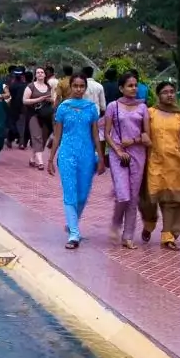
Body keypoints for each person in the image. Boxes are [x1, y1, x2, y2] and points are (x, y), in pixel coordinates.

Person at [139, 80, 180, 250]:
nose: (169, 95)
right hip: (153, 163)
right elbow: (144, 135)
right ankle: (149, 224)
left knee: (173, 201)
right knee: (149, 201)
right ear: (158, 95)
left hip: (176, 164)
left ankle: (168, 236)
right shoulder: (149, 113)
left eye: (172, 91)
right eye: (165, 92)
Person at [48, 72, 104, 248]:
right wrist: (50, 159)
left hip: (87, 155)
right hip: (67, 154)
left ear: (85, 88)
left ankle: (72, 222)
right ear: (70, 87)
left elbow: (96, 135)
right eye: (76, 86)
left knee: (83, 194)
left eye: (82, 86)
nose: (79, 89)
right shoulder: (63, 108)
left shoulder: (91, 108)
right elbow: (57, 136)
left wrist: (101, 157)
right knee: (70, 192)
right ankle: (74, 233)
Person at [104, 72, 150, 248]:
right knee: (123, 194)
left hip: (138, 154)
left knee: (133, 197)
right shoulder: (112, 106)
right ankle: (116, 224)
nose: (134, 88)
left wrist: (133, 141)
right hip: (118, 155)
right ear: (121, 88)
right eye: (130, 85)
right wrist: (117, 150)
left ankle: (128, 236)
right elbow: (107, 134)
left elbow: (146, 135)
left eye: (135, 85)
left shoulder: (142, 107)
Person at [23, 67, 53, 170]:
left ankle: (32, 158)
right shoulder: (31, 86)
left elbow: (53, 100)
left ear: (45, 75)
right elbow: (25, 100)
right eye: (38, 72)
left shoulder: (48, 86)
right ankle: (40, 162)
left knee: (43, 138)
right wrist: (38, 99)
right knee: (37, 136)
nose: (40, 74)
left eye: (42, 72)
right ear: (35, 75)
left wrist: (50, 100)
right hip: (33, 115)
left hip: (46, 115)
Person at [6, 68, 29, 149]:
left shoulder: (12, 85)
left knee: (12, 123)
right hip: (23, 107)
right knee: (21, 125)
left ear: (15, 76)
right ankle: (21, 143)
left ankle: (10, 139)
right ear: (22, 76)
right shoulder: (25, 85)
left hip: (13, 106)